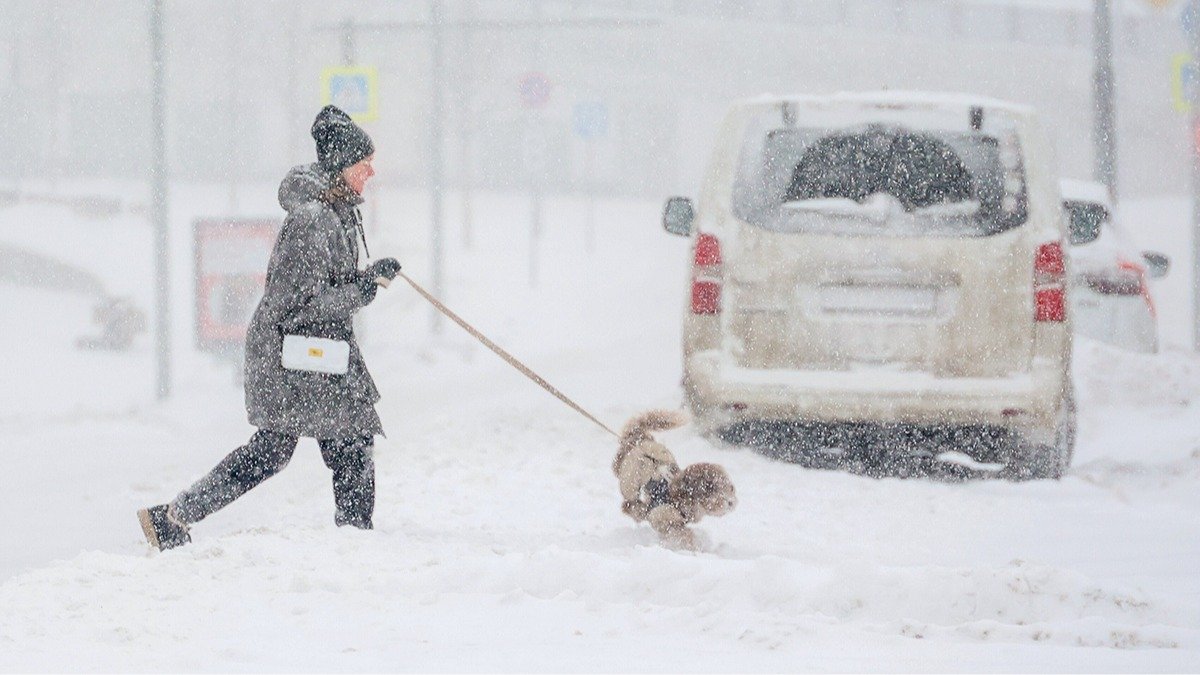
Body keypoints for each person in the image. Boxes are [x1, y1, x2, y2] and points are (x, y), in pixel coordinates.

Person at [137, 105, 401, 551]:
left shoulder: (335, 212)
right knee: (317, 446)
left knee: (306, 446)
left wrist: (364, 278)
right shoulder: (312, 221)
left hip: (309, 354)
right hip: (292, 354)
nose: (372, 171)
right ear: (341, 167)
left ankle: (172, 517)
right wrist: (364, 289)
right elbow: (304, 303)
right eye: (364, 163)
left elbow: (321, 289)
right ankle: (355, 543)